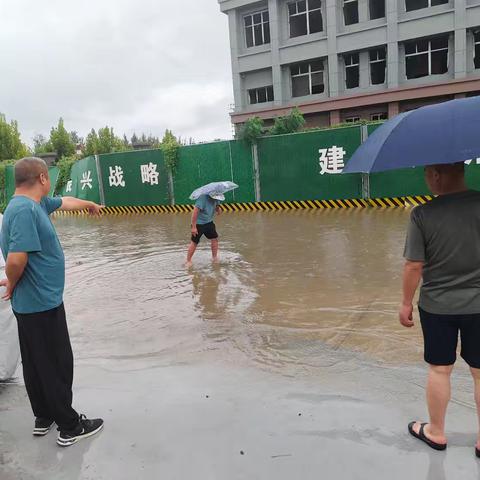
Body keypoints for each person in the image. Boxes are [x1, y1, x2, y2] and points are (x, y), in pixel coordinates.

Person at [0, 157, 104, 447]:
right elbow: (16, 259)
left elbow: (65, 201)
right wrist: (14, 281)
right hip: (40, 303)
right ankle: (69, 426)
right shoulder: (24, 210)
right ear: (43, 178)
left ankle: (43, 417)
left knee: (35, 361)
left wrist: (89, 205)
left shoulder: (33, 205)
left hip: (33, 302)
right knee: (57, 363)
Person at [399, 162, 480, 458]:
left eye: (426, 175)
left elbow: (413, 265)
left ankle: (436, 432)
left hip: (437, 306)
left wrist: (406, 302)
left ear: (435, 175)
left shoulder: (422, 214)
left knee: (439, 369)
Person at [185, 193, 223, 267]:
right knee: (194, 242)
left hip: (209, 222)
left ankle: (214, 257)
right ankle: (188, 261)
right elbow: (195, 212)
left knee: (214, 239)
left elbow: (217, 207)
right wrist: (193, 227)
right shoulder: (202, 198)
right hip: (198, 224)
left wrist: (218, 209)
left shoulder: (217, 197)